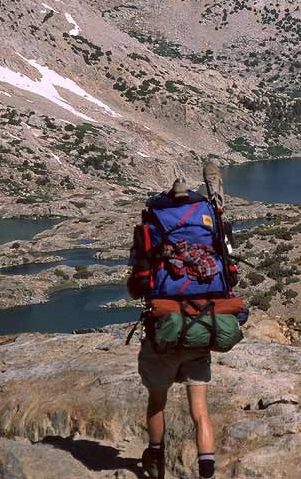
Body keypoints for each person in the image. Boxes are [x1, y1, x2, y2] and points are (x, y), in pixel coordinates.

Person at [130, 178, 229, 479]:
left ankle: (155, 461)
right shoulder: (207, 228)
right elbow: (229, 279)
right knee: (200, 412)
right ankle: (207, 473)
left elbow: (137, 287)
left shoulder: (152, 229)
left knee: (157, 400)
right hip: (200, 328)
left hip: (163, 332)